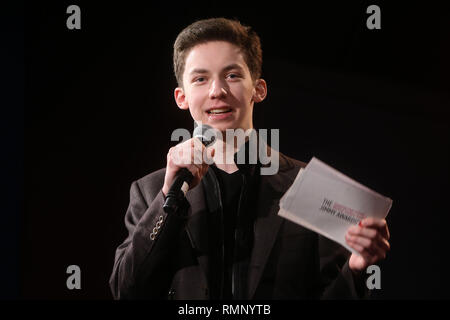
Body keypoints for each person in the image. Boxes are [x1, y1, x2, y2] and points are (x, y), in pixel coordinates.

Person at [109, 18, 390, 299]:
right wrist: (168, 199)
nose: (217, 91)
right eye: (200, 79)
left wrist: (355, 268)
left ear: (259, 88)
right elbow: (127, 291)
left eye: (232, 75)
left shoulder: (308, 186)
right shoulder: (150, 191)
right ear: (182, 97)